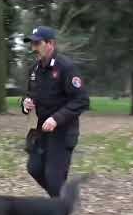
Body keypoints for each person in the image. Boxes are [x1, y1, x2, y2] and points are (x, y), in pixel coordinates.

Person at [21, 26, 90, 198]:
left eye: (37, 43)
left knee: (54, 178)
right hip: (40, 132)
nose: (33, 48)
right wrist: (25, 103)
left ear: (51, 44)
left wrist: (56, 119)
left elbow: (81, 100)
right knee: (34, 168)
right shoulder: (34, 71)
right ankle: (61, 201)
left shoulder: (66, 68)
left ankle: (58, 211)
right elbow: (29, 95)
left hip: (62, 132)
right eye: (31, 44)